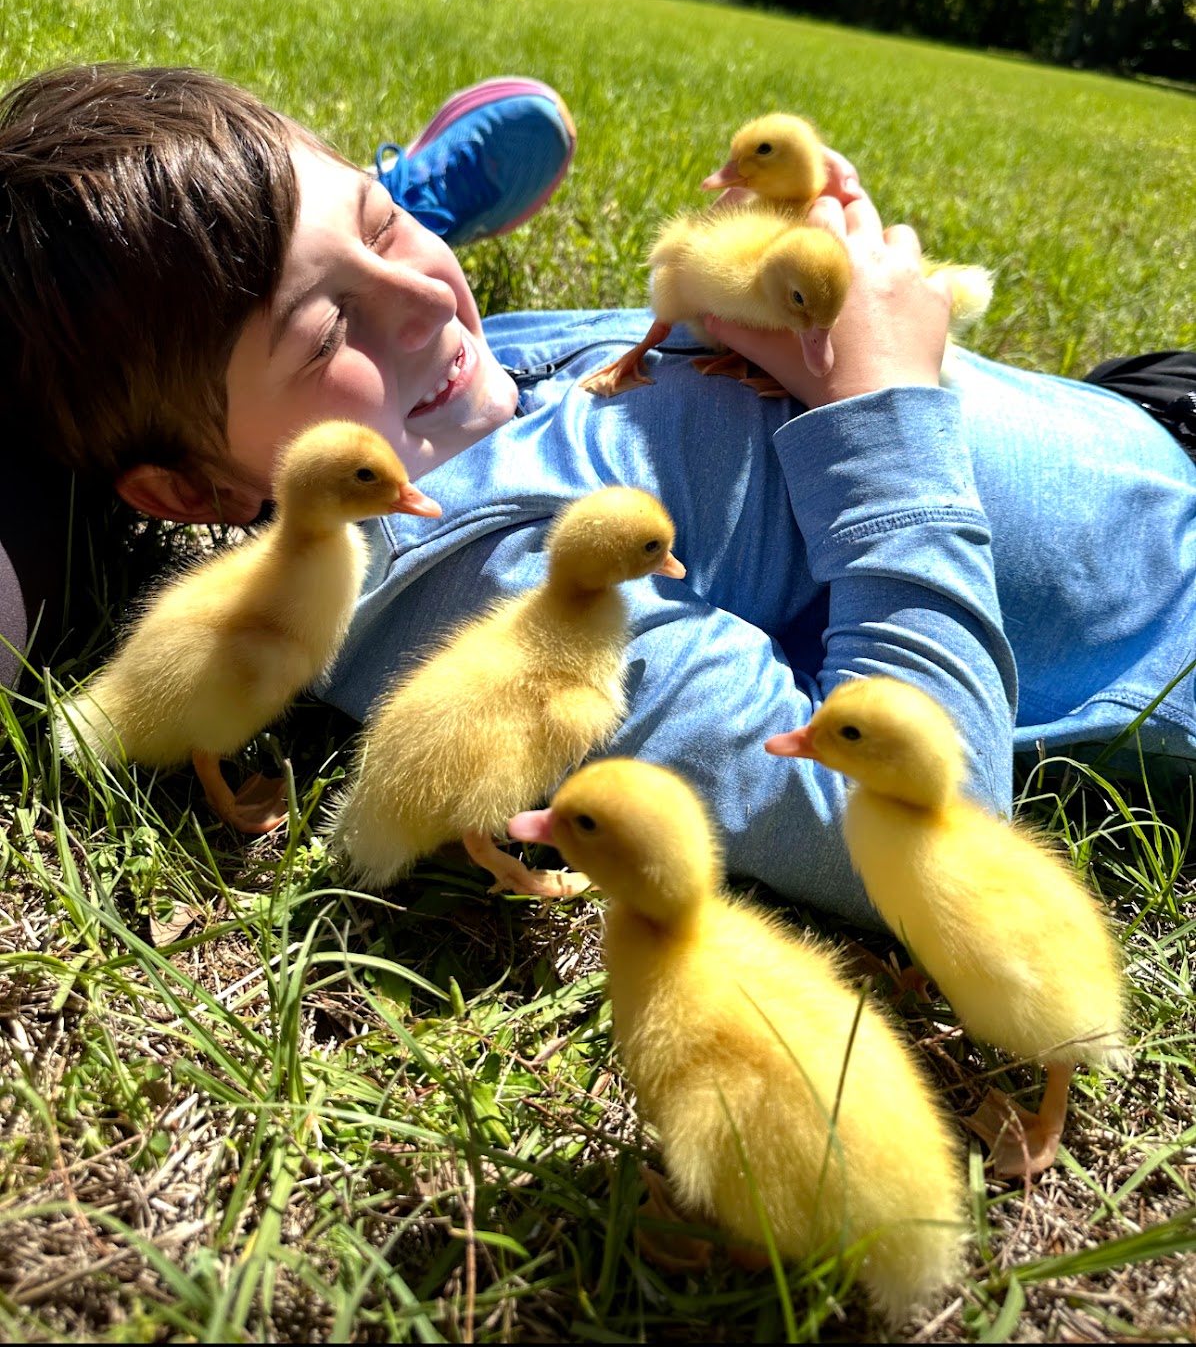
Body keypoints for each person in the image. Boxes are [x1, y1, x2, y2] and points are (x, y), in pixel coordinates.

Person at [1, 64, 1193, 923]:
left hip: (1128, 408)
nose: (420, 295)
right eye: (324, 335)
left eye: (386, 220)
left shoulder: (460, 383)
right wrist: (875, 406)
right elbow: (922, 832)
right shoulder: (501, 596)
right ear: (191, 491)